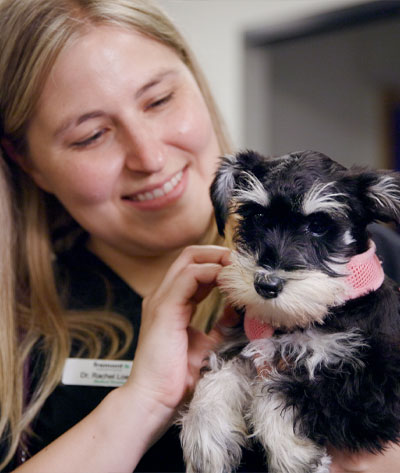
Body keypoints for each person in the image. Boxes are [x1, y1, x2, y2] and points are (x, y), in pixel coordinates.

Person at [0, 0, 399, 472]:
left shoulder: (378, 262)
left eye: (158, 100)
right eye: (91, 135)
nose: (148, 157)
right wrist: (145, 401)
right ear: (26, 160)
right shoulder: (16, 325)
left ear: (195, 80)